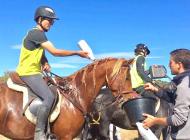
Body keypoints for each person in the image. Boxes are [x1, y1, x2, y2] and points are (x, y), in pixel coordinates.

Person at [16, 6, 89, 140]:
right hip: (28, 72)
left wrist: (45, 62)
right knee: (49, 97)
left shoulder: (38, 36)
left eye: (52, 21)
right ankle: (39, 133)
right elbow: (55, 52)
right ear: (39, 19)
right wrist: (77, 53)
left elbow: (40, 52)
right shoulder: (36, 33)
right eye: (48, 20)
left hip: (35, 72)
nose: (51, 23)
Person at [143, 49, 190, 140]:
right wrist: (155, 89)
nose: (168, 65)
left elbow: (178, 119)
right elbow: (174, 99)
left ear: (179, 65)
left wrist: (155, 120)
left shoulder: (184, 85)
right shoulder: (185, 81)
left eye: (170, 62)